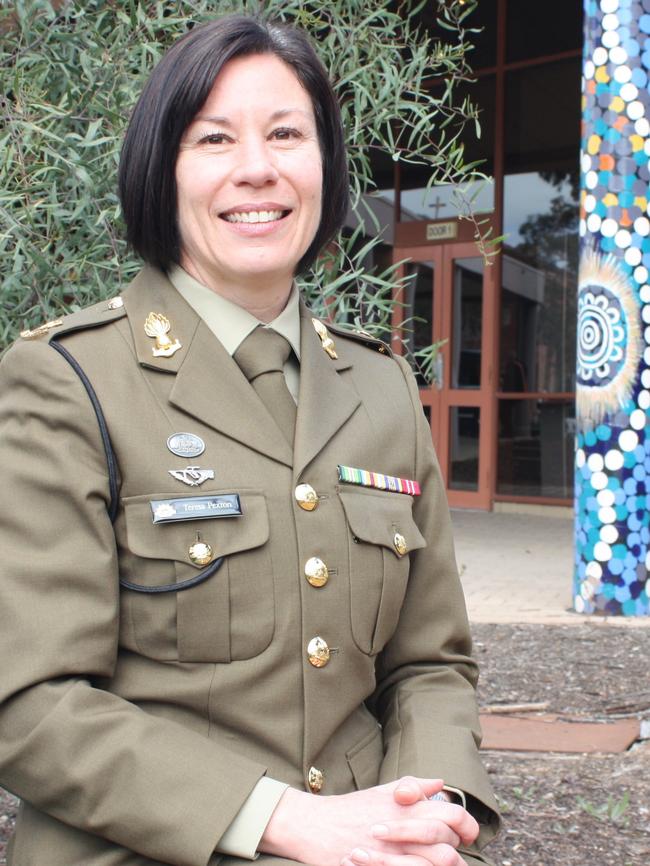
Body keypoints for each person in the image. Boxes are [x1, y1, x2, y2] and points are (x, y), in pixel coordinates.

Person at [0, 14, 500, 866]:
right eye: (214, 138)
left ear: (326, 165)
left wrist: (430, 808)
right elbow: (31, 700)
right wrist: (285, 821)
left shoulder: (379, 388)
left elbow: (430, 665)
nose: (257, 169)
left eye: (286, 133)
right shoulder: (66, 380)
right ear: (163, 171)